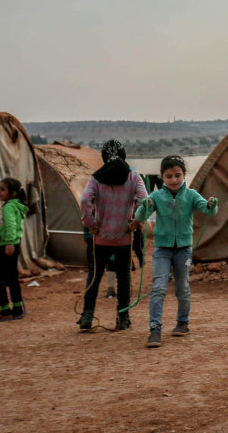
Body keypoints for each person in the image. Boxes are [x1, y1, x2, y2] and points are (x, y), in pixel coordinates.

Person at [135, 155, 218, 348]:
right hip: (162, 249)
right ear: (162, 177)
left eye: (177, 175)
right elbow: (140, 216)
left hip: (184, 250)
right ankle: (155, 330)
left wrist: (212, 204)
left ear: (184, 175)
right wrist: (144, 206)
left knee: (182, 287)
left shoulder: (191, 195)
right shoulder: (155, 196)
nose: (174, 180)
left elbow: (208, 211)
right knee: (158, 288)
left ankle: (182, 323)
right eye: (169, 176)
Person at [78, 140, 148, 332]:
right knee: (123, 277)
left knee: (94, 276)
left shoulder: (96, 178)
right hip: (123, 238)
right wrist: (136, 223)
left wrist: (91, 224)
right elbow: (145, 200)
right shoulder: (133, 177)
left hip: (100, 238)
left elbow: (85, 200)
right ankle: (123, 318)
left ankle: (87, 316)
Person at [0, 177, 30, 321]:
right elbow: (6, 229)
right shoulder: (16, 206)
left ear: (13, 193)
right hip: (13, 244)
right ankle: (17, 308)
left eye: (3, 189)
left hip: (7, 247)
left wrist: (9, 243)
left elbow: (10, 226)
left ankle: (4, 309)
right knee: (11, 278)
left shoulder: (9, 207)